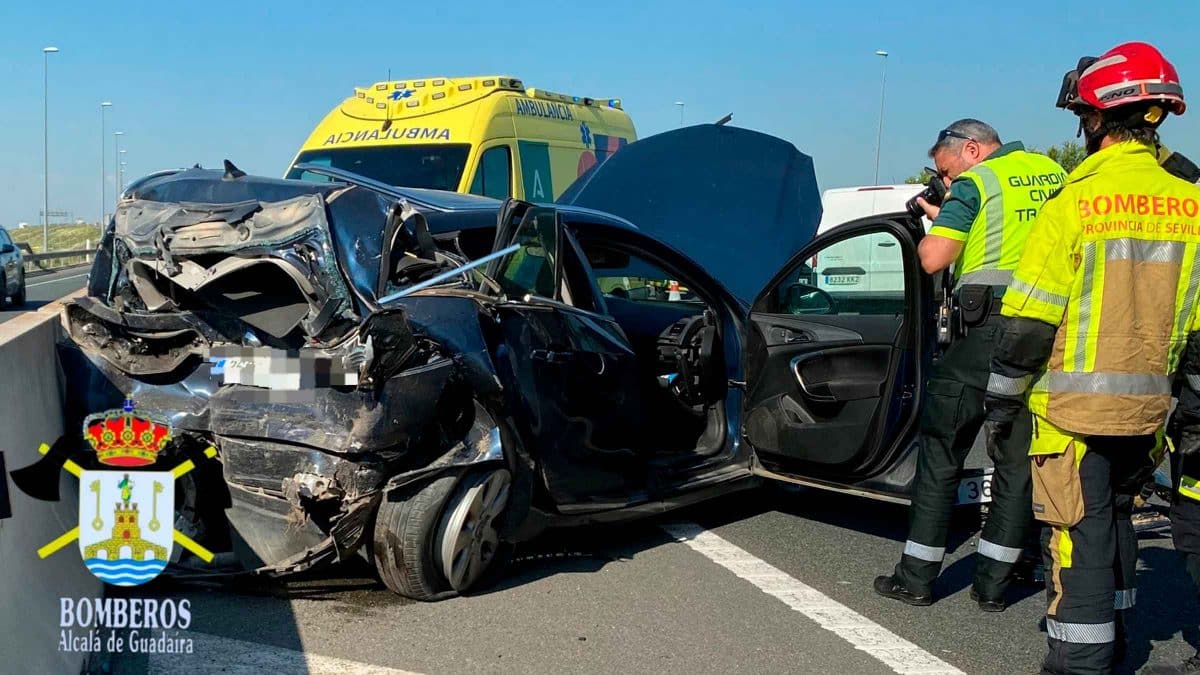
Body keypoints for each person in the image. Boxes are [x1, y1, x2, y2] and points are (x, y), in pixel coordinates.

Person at [983, 41, 1199, 674]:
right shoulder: (1190, 202)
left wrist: (1000, 403)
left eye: (1082, 116)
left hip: (1071, 415)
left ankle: (1081, 663)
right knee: (1119, 522)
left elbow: (1027, 322)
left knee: (1080, 533)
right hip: (1151, 413)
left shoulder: (1074, 201)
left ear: (1099, 119)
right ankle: (1121, 637)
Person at [874, 120, 1066, 611]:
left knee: (942, 450)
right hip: (1044, 336)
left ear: (973, 150)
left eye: (946, 170)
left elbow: (935, 258)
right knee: (1017, 460)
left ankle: (916, 577)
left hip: (983, 336)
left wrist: (934, 224)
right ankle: (994, 587)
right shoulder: (1054, 174)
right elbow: (1008, 237)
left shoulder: (978, 183)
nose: (946, 181)